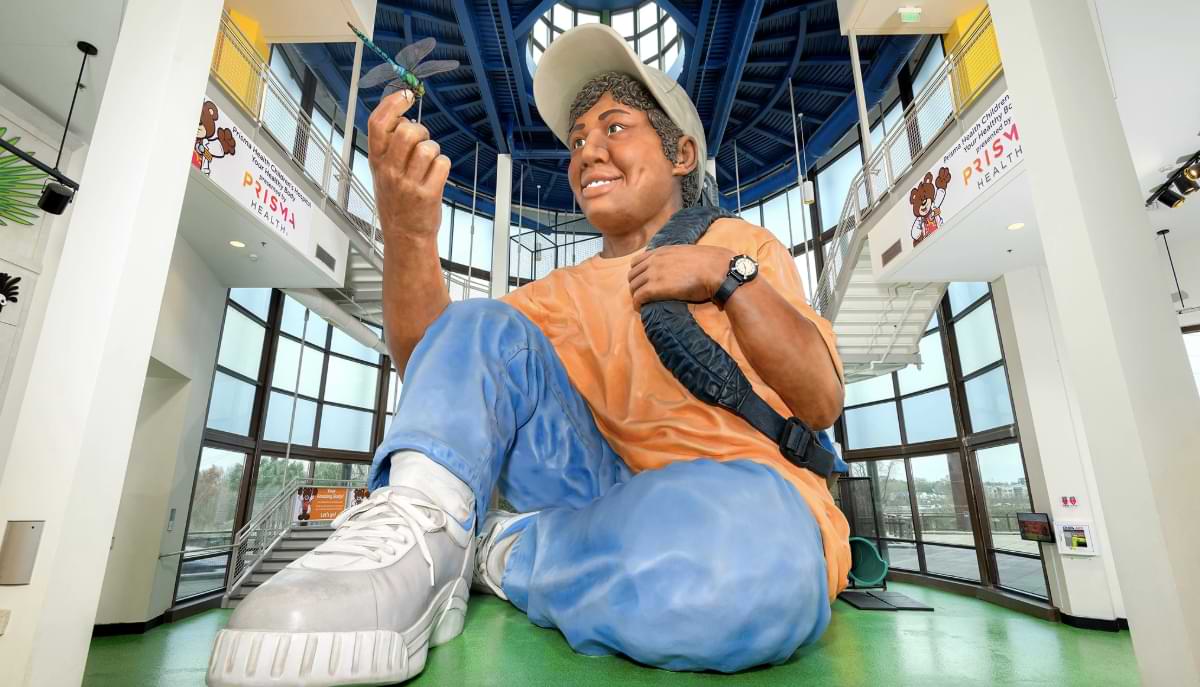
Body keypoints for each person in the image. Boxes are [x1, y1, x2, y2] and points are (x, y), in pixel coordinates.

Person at [206, 23, 848, 687]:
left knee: (747, 568)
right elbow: (439, 368)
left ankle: (504, 553)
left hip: (747, 503)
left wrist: (726, 276)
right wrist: (409, 232)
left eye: (615, 127)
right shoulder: (556, 294)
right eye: (577, 141)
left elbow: (822, 400)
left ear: (682, 153)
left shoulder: (743, 245)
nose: (588, 152)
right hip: (597, 490)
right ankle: (425, 542)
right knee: (479, 324)